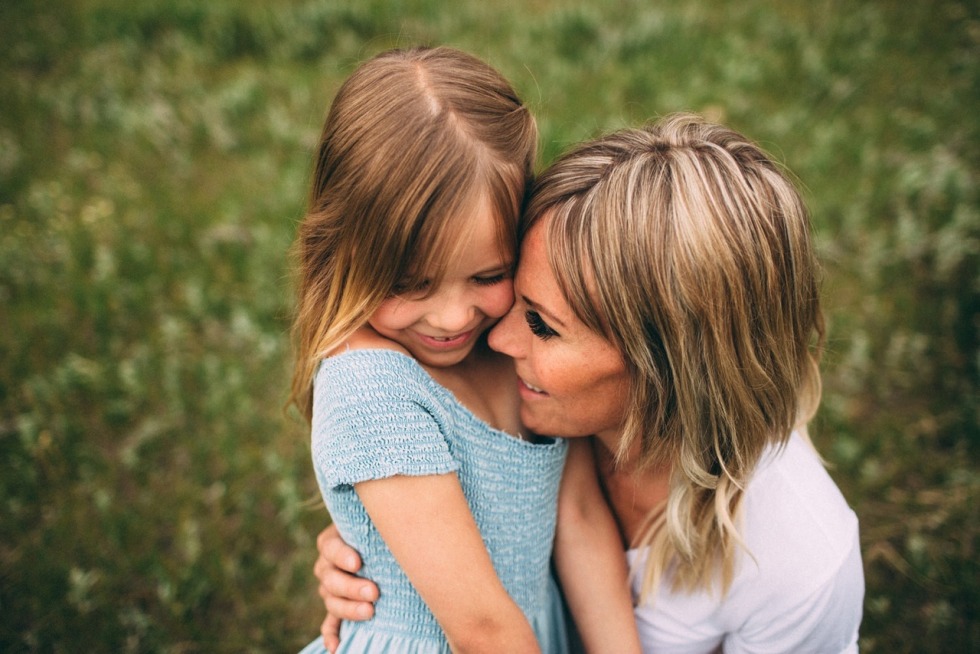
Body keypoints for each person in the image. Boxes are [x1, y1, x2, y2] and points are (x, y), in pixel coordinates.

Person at [314, 113, 865, 653]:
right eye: (516, 290)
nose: (491, 340)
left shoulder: (801, 567)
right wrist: (380, 557)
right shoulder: (535, 402)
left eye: (541, 325)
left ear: (668, 369)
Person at [289, 46, 641, 653]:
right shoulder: (372, 389)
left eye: (487, 275)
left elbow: (579, 520)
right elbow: (482, 630)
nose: (454, 319)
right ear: (346, 251)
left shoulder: (515, 345)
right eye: (410, 283)